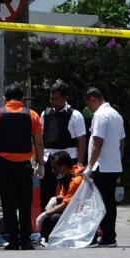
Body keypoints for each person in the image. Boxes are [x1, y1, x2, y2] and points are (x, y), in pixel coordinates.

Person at [0, 82, 43, 250]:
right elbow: (38, 142)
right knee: (25, 203)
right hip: (25, 166)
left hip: (3, 166)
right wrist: (40, 163)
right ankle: (25, 240)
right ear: (22, 99)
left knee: (8, 205)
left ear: (5, 99)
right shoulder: (32, 115)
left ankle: (13, 240)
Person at [81, 87, 125, 247]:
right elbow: (121, 142)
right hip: (112, 165)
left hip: (101, 166)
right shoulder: (116, 115)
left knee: (98, 203)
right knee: (109, 202)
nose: (89, 109)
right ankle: (109, 235)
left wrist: (90, 166)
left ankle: (102, 235)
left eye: (88, 104)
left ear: (93, 99)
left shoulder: (100, 115)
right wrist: (118, 161)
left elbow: (97, 142)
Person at [39, 81, 87, 211]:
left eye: (56, 98)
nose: (53, 101)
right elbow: (40, 139)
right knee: (46, 195)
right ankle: (46, 227)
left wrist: (80, 163)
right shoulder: (45, 114)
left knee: (69, 194)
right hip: (49, 159)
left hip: (68, 160)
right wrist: (39, 161)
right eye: (51, 98)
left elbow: (82, 141)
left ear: (65, 98)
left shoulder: (75, 115)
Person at [35, 151, 83, 241]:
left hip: (82, 214)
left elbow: (65, 204)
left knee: (53, 217)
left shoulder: (76, 180)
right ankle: (47, 239)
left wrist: (45, 214)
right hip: (74, 210)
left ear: (64, 167)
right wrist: (54, 198)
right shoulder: (67, 177)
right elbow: (63, 196)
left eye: (55, 168)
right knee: (50, 213)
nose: (53, 171)